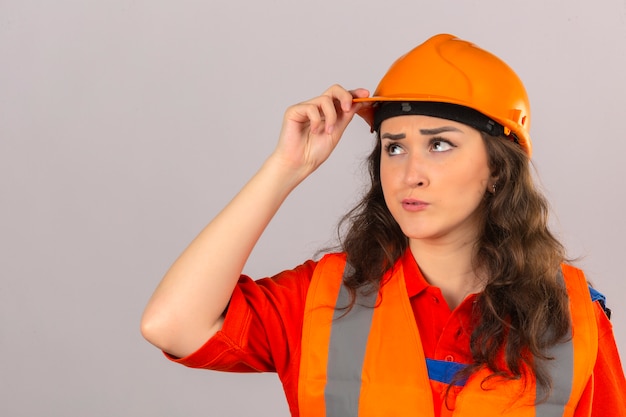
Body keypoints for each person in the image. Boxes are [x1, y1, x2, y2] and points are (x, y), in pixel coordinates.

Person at [141, 34, 626, 416]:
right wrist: (285, 168)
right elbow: (172, 325)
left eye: (439, 144)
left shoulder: (573, 320)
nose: (408, 173)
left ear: (498, 169)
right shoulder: (325, 300)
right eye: (394, 147)